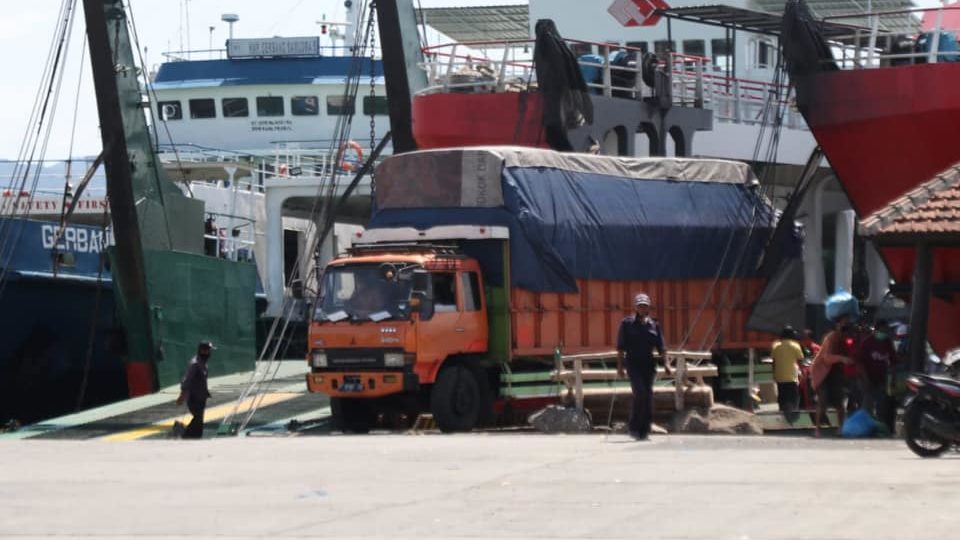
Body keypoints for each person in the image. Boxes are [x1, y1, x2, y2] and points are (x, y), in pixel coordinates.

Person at [617, 293, 670, 440]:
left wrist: (666, 364)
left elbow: (662, 347)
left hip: (648, 363)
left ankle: (645, 429)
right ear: (635, 307)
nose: (642, 308)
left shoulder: (654, 325)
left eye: (645, 305)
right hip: (633, 363)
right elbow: (620, 347)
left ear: (648, 307)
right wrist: (620, 367)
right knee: (639, 392)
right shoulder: (627, 324)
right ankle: (634, 427)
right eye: (640, 305)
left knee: (648, 395)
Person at [811, 316, 855, 437]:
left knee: (839, 401)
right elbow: (827, 358)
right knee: (823, 399)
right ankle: (817, 429)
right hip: (822, 371)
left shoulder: (850, 339)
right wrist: (842, 358)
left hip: (837, 372)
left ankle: (840, 428)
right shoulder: (831, 338)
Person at [856, 320, 897, 432]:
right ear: (876, 330)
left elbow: (893, 361)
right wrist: (866, 380)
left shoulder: (887, 342)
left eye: (885, 331)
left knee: (881, 406)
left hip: (881, 379)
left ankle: (879, 428)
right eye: (882, 330)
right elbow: (860, 363)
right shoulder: (867, 343)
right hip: (866, 378)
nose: (884, 333)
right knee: (867, 404)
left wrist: (892, 378)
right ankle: (865, 428)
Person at [176, 341, 214, 439]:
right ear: (202, 350)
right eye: (208, 350)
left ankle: (194, 437)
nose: (210, 353)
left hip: (201, 397)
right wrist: (182, 395)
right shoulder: (195, 364)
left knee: (199, 421)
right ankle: (185, 435)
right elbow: (187, 379)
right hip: (194, 397)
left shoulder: (203, 363)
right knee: (197, 419)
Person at [771, 326, 804, 423]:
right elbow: (800, 361)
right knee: (793, 397)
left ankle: (782, 415)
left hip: (780, 376)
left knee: (782, 396)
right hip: (791, 377)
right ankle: (792, 417)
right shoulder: (795, 345)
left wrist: (774, 374)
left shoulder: (776, 346)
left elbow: (773, 362)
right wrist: (802, 374)